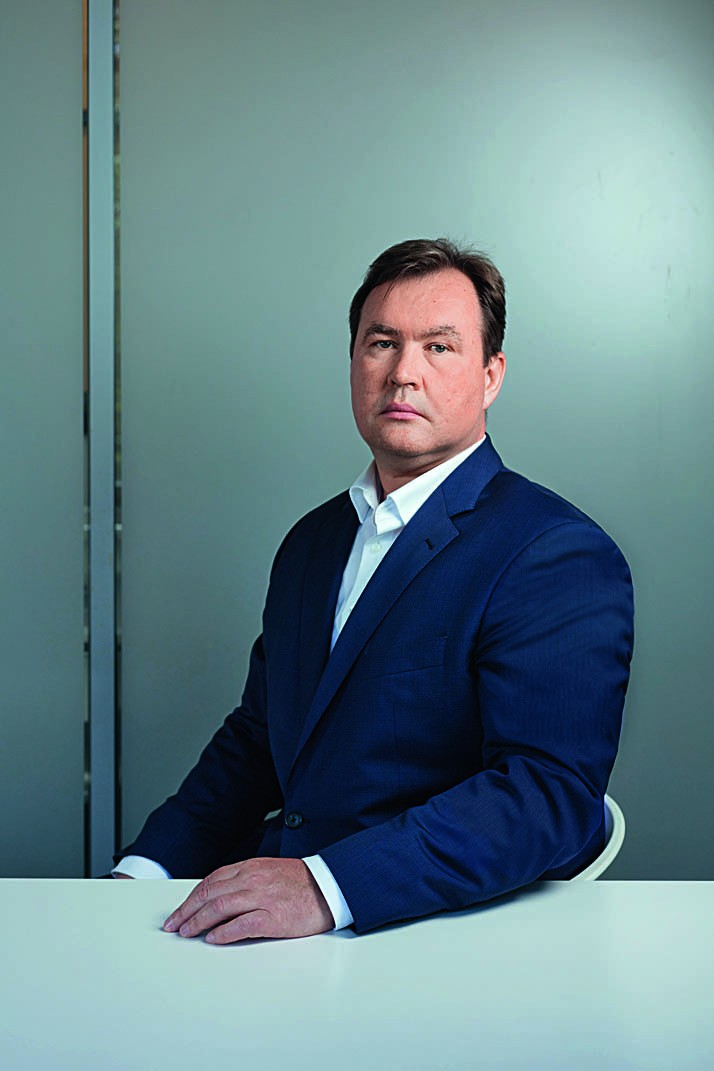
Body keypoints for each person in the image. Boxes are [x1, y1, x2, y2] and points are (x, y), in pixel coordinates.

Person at [114, 238, 634, 943]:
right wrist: (142, 872)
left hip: (433, 935)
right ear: (354, 362)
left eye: (439, 347)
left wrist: (326, 886)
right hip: (281, 933)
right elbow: (260, 738)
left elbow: (546, 794)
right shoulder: (311, 543)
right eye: (382, 343)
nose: (403, 373)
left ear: (490, 375)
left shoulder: (553, 551)